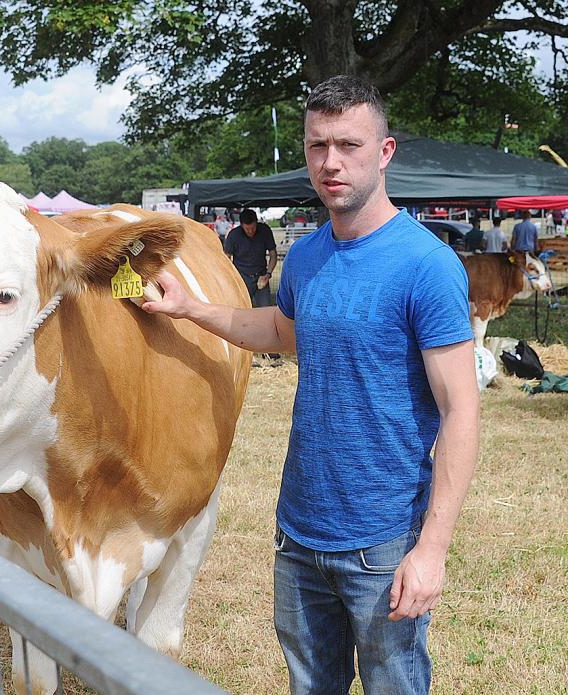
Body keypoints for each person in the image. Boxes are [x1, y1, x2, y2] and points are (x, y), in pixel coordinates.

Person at [142, 75, 479, 695]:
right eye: (316, 145)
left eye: (349, 145)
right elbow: (278, 329)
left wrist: (430, 550)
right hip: (298, 532)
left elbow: (462, 410)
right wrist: (191, 308)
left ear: (385, 152)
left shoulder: (426, 266)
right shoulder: (305, 256)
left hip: (383, 541)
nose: (330, 162)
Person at [224, 208, 277, 307]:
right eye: (247, 229)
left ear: (257, 222)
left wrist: (268, 274)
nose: (250, 231)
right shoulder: (234, 235)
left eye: (253, 228)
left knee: (265, 308)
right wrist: (232, 276)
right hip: (242, 277)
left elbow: (273, 254)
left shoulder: (265, 230)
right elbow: (226, 258)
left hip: (261, 275)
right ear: (241, 225)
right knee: (241, 308)